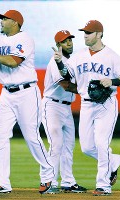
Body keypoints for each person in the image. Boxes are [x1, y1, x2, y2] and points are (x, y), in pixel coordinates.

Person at [0, 7, 55, 195]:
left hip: (27, 92)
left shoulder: (24, 39)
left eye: (5, 19)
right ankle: (2, 182)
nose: (1, 21)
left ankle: (48, 175)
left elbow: (13, 62)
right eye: (1, 19)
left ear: (15, 23)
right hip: (7, 94)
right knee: (1, 135)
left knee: (31, 136)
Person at [54, 20, 120, 196]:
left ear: (99, 34)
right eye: (84, 33)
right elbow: (68, 75)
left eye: (89, 33)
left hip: (107, 104)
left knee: (101, 143)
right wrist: (60, 63)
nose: (85, 36)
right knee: (87, 147)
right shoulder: (78, 56)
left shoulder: (112, 56)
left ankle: (103, 185)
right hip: (86, 104)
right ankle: (113, 161)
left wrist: (112, 81)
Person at [41, 30, 87, 193]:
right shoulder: (55, 62)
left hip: (66, 107)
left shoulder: (72, 61)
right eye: (65, 41)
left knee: (68, 146)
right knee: (56, 145)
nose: (69, 43)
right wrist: (85, 90)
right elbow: (65, 84)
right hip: (52, 106)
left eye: (70, 40)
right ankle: (48, 182)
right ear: (58, 45)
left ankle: (68, 181)